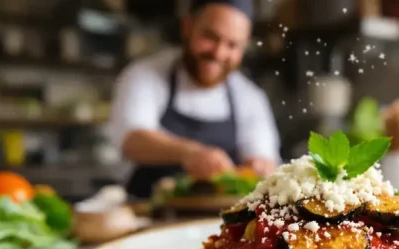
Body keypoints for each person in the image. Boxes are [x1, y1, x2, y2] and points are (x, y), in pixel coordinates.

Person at [109, 0, 280, 198]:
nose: (219, 53)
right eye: (210, 37)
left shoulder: (250, 97)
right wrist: (190, 153)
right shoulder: (143, 76)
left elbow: (263, 157)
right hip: (147, 214)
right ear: (187, 27)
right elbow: (132, 140)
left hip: (221, 221)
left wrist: (260, 167)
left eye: (233, 45)